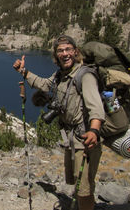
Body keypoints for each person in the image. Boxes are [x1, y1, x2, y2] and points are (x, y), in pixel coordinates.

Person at [13, 35, 104, 210]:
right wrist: (23, 72)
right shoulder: (60, 75)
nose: (65, 54)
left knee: (84, 188)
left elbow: (96, 107)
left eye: (68, 49)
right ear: (56, 55)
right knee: (76, 182)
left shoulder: (84, 76)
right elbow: (45, 85)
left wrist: (94, 131)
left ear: (76, 52)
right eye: (60, 50)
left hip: (84, 138)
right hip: (70, 138)